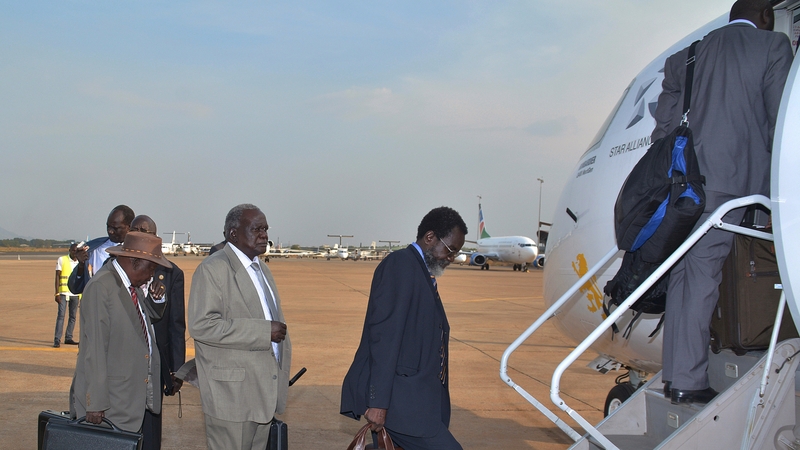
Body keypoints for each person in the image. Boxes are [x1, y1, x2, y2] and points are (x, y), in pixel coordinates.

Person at [652, 0, 793, 405]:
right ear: (766, 16)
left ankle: (676, 374)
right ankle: (688, 381)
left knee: (685, 279)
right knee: (700, 281)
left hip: (685, 189)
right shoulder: (773, 47)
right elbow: (778, 125)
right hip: (732, 189)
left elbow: (662, 128)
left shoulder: (688, 55)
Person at [340, 206, 468, 450]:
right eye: (450, 250)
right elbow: (384, 337)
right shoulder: (400, 266)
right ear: (430, 238)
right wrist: (378, 402)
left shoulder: (420, 271)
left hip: (417, 401)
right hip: (401, 403)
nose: (451, 258)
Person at [188, 204, 291, 450]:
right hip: (232, 396)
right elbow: (202, 325)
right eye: (257, 229)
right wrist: (264, 332)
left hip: (262, 391)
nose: (264, 235)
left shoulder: (261, 268)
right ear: (233, 234)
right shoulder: (213, 269)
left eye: (265, 229)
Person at [70, 231, 172, 436]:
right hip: (110, 406)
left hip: (126, 401)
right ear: (135, 262)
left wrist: (157, 297)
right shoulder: (102, 287)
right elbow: (95, 348)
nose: (152, 274)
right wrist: (95, 402)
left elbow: (145, 317)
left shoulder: (129, 285)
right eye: (151, 267)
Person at [129, 215, 186, 450]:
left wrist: (176, 369)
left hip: (156, 362)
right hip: (125, 362)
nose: (142, 234)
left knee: (151, 426)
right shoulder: (113, 268)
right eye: (136, 230)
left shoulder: (172, 273)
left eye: (147, 231)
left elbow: (176, 324)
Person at [68, 204, 135, 295]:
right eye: (108, 226)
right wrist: (81, 266)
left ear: (129, 227)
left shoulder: (139, 252)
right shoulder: (93, 250)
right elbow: (74, 288)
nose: (110, 231)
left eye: (115, 228)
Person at [53, 243, 81, 348]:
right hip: (63, 293)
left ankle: (68, 337)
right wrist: (57, 293)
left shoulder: (80, 262)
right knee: (61, 316)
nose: (74, 253)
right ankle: (57, 339)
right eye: (73, 251)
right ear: (69, 250)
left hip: (75, 293)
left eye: (76, 251)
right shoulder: (62, 259)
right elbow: (57, 277)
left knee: (73, 317)